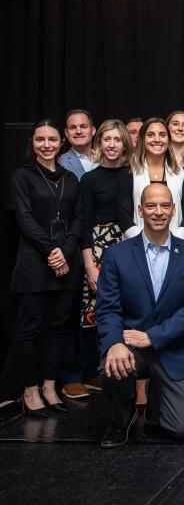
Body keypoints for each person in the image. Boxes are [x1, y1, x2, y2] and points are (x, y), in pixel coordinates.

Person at [95, 183, 184, 447]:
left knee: (183, 429)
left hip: (174, 348)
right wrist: (113, 343)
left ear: (173, 210)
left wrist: (152, 336)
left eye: (165, 205)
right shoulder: (116, 255)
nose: (158, 211)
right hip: (131, 346)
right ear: (140, 210)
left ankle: (159, 401)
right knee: (112, 366)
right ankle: (122, 418)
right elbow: (108, 307)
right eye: (151, 205)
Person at [0, 121, 82, 416]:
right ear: (32, 143)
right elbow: (24, 219)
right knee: (29, 329)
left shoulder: (71, 178)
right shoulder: (22, 177)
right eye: (40, 139)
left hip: (67, 263)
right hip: (35, 263)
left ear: (61, 142)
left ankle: (50, 386)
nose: (46, 145)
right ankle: (30, 389)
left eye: (51, 139)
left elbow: (77, 220)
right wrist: (52, 252)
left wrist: (66, 252)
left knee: (58, 328)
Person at [67, 119, 133, 400]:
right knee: (94, 310)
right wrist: (90, 265)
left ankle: (127, 365)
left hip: (129, 242)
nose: (112, 145)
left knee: (129, 306)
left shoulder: (135, 174)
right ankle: (93, 369)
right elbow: (83, 225)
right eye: (107, 139)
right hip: (98, 247)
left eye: (117, 140)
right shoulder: (89, 179)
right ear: (99, 143)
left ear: (125, 144)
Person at [118, 117, 184, 241]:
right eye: (151, 135)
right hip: (137, 247)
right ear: (142, 140)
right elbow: (123, 215)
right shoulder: (128, 173)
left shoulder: (183, 174)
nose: (157, 139)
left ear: (169, 140)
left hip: (177, 246)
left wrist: (175, 241)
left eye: (162, 135)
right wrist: (142, 242)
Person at [59, 108, 98, 180]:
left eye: (83, 126)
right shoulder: (60, 163)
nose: (78, 131)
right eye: (73, 127)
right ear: (66, 133)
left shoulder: (105, 158)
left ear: (93, 131)